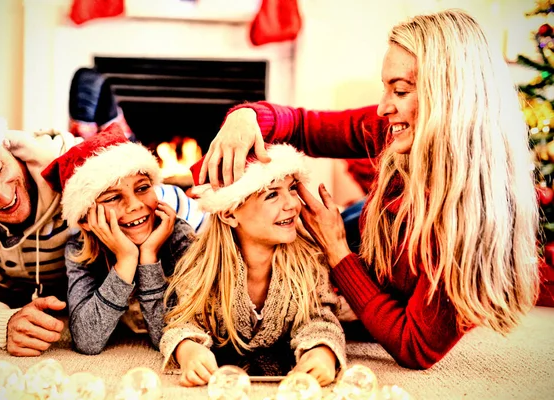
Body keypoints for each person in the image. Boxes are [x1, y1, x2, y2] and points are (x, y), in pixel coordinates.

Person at [196, 9, 540, 369]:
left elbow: (416, 347)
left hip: (346, 249)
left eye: (401, 90)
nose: (383, 106)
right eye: (386, 88)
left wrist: (336, 250)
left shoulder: (473, 219)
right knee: (199, 235)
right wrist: (247, 116)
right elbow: (303, 125)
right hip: (359, 228)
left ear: (450, 97)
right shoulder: (392, 130)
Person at [160, 143, 346, 387]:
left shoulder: (310, 260)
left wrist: (322, 351)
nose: (291, 203)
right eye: (272, 194)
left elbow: (319, 318)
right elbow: (182, 323)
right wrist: (188, 349)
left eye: (291, 188)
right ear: (229, 213)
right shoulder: (201, 266)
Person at [41, 125, 195, 354]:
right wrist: (126, 260)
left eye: (143, 188)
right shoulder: (80, 250)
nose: (134, 205)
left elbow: (170, 334)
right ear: (84, 220)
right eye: (113, 197)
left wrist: (149, 258)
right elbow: (87, 341)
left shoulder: (177, 236)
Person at [0, 103, 80, 356]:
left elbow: (161, 203)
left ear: (5, 144)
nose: (3, 197)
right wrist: (2, 323)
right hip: (4, 291)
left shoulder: (79, 165)